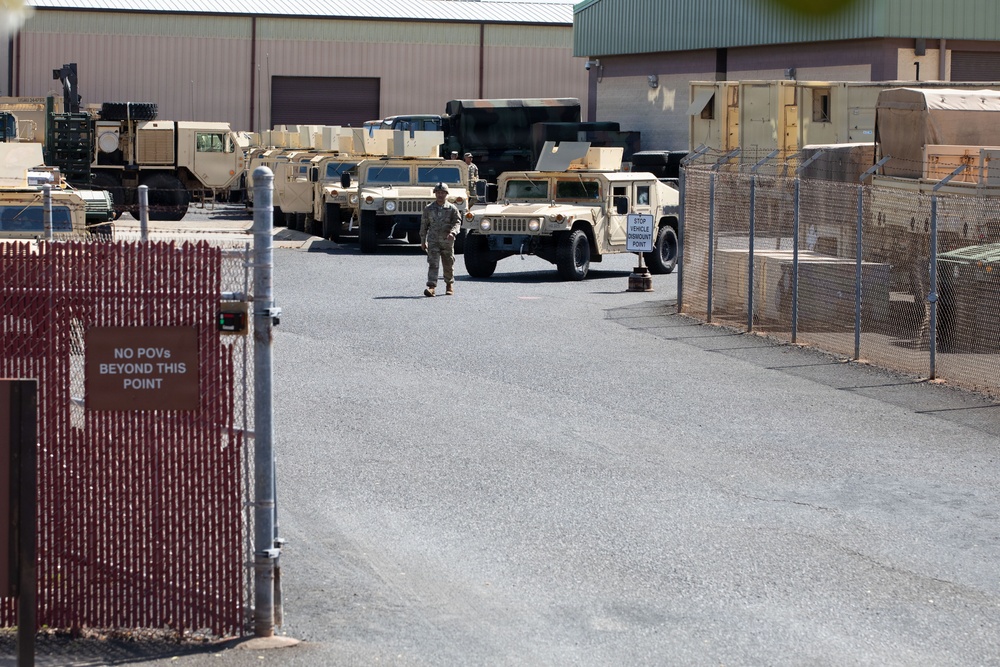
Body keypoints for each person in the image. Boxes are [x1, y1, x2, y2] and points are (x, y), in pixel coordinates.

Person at [420, 182, 462, 297]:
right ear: (435, 194)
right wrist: (423, 241)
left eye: (442, 193)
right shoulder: (429, 209)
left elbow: (457, 222)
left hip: (447, 241)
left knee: (448, 263)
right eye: (438, 192)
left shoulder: (452, 208)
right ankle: (431, 287)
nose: (440, 195)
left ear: (446, 194)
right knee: (433, 263)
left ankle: (449, 284)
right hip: (433, 240)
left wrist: (453, 232)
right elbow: (424, 225)